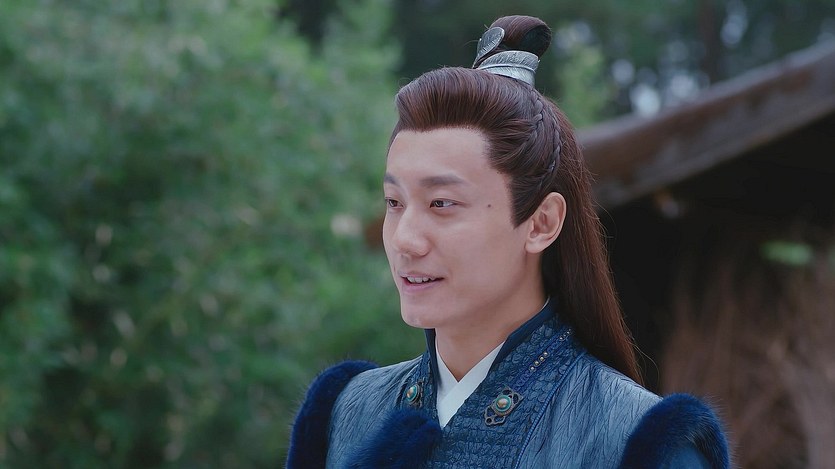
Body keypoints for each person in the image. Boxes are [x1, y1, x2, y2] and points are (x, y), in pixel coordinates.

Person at [286, 14, 730, 468]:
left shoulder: (640, 441)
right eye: (394, 202)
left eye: (442, 203)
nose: (405, 240)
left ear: (541, 223)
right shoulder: (346, 413)